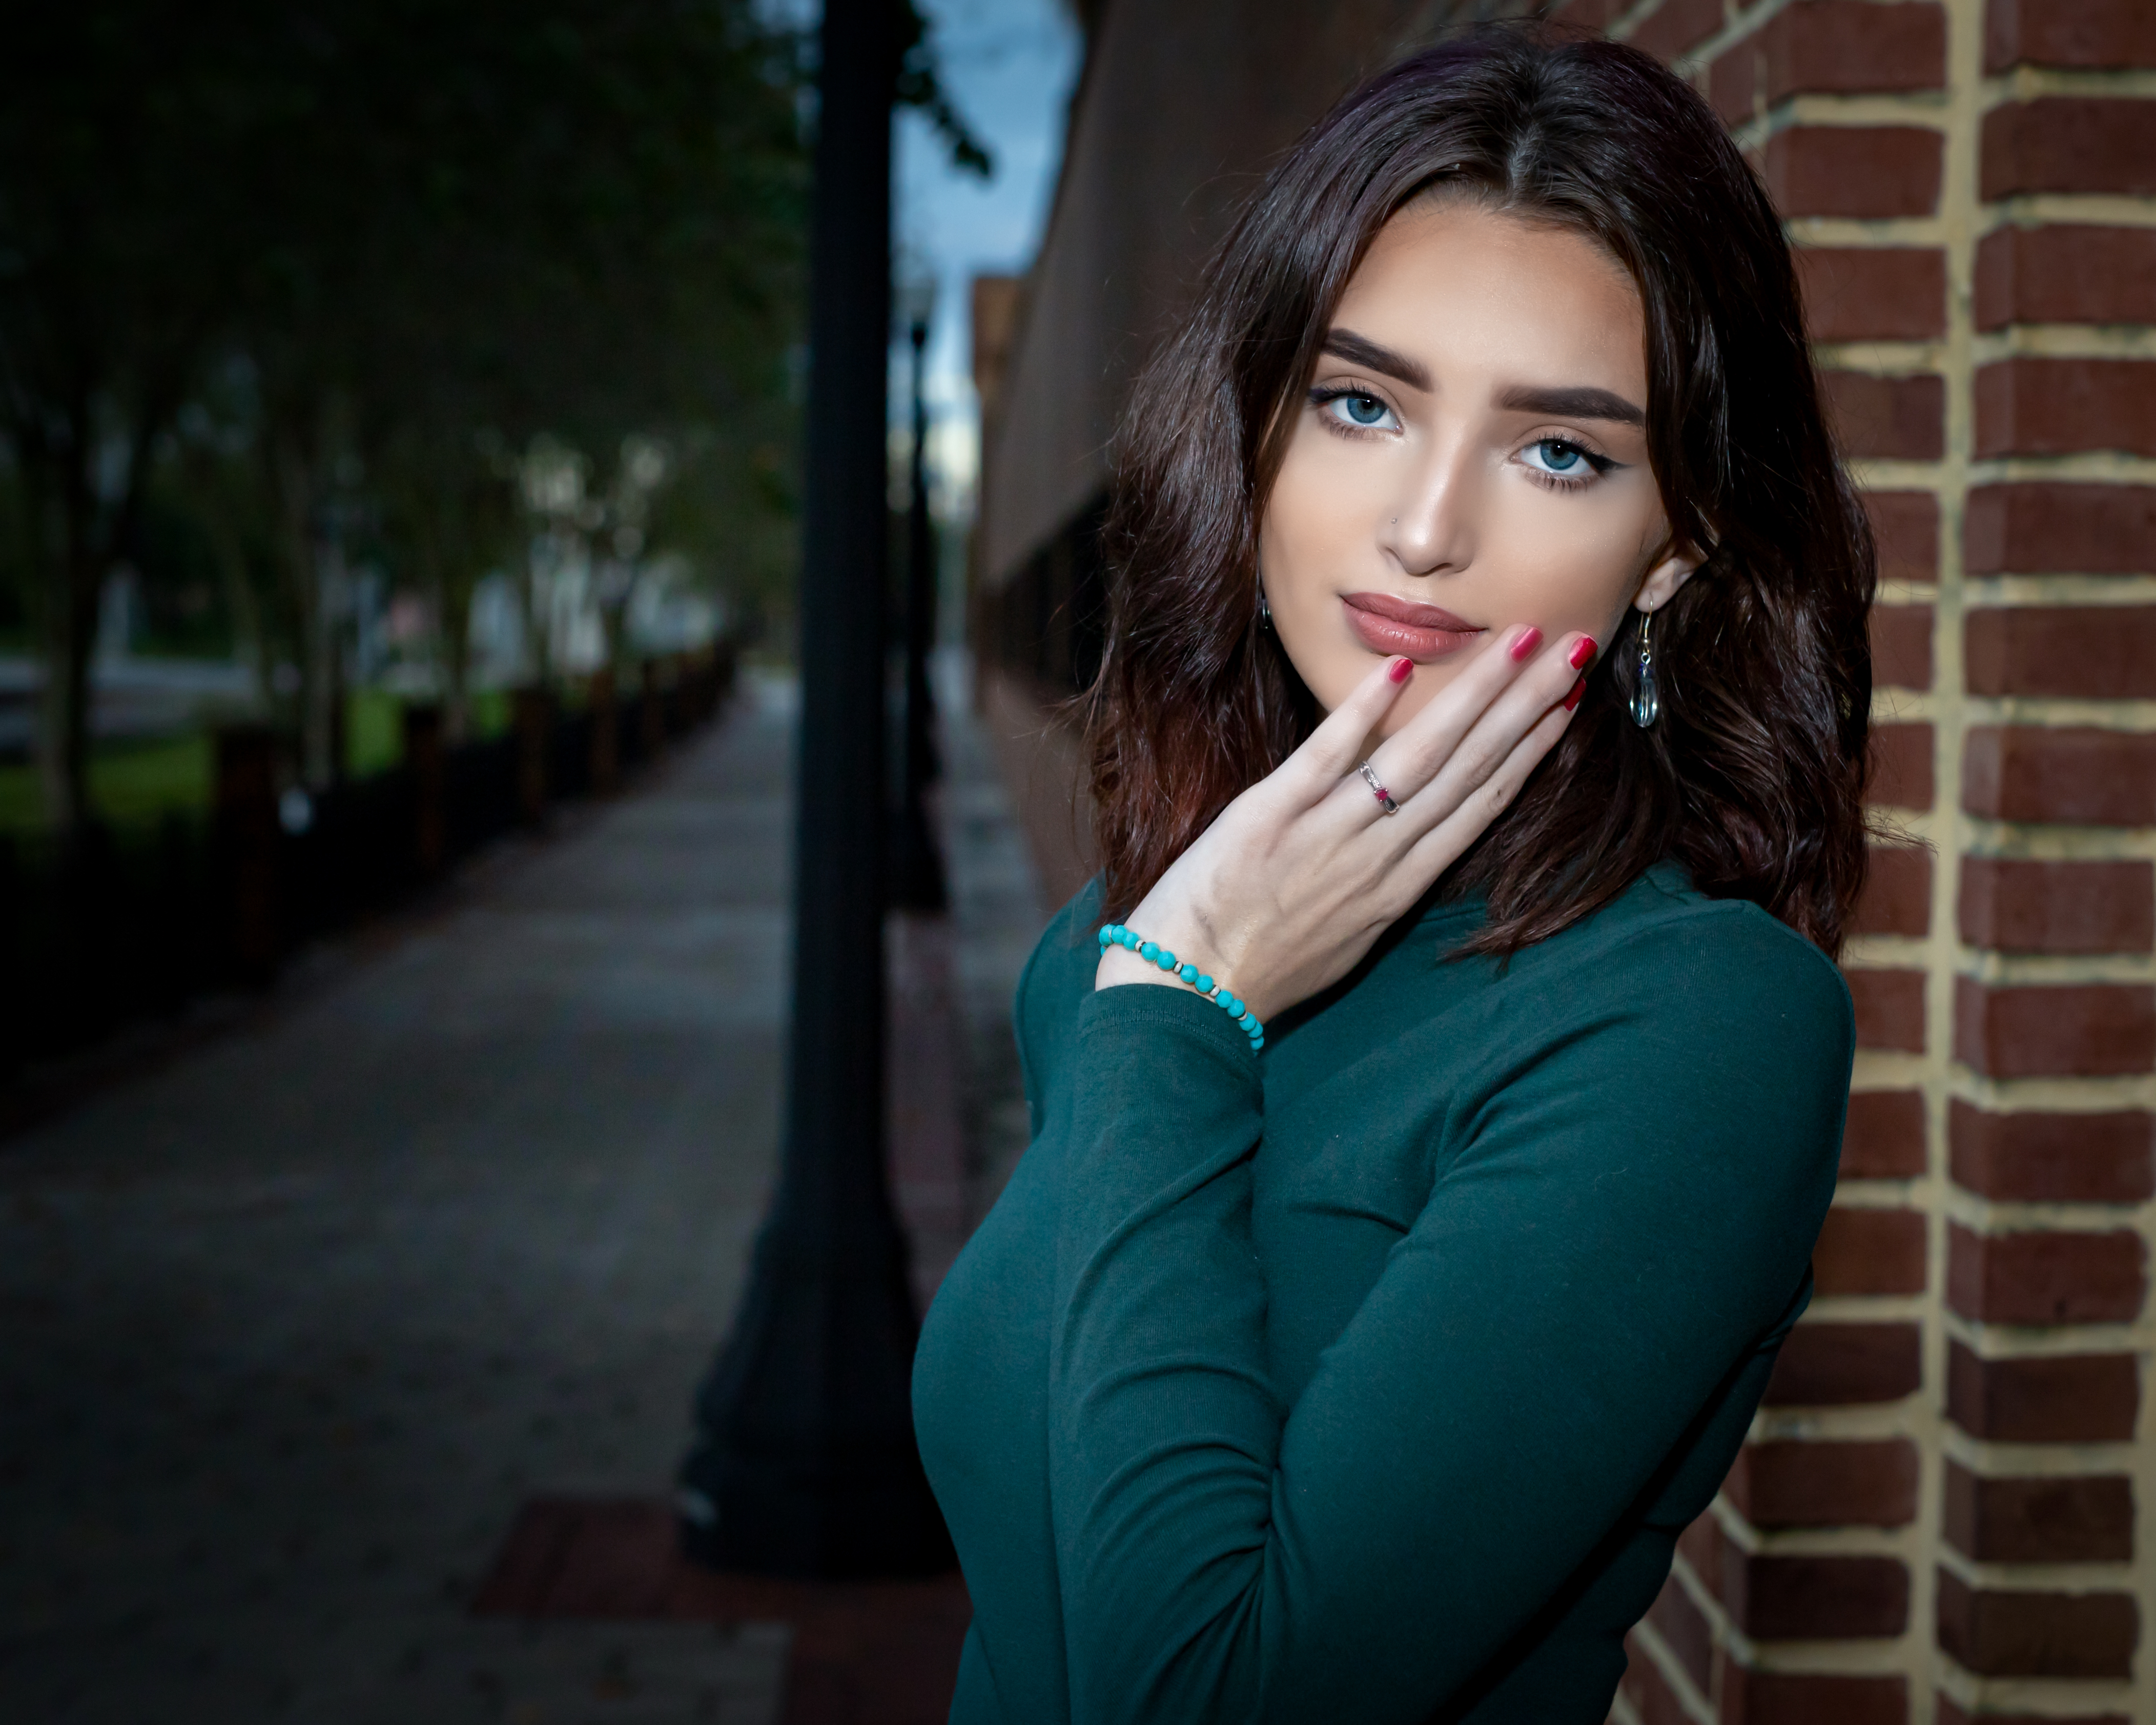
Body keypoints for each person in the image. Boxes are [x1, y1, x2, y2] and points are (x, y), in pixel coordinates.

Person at [913, 27, 1872, 1724]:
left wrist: (1183, 1015)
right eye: (1362, 404)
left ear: (1676, 552)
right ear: (1261, 438)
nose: (1426, 526)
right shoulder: (1121, 944)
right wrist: (1172, 980)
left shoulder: (1699, 1028)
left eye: (1558, 450)